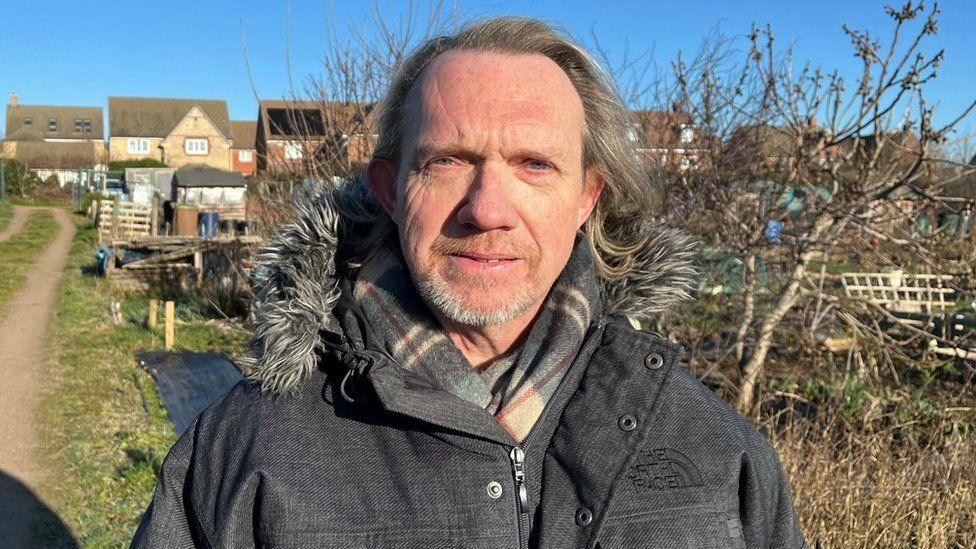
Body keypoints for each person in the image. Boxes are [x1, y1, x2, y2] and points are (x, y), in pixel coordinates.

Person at [132, 16, 807, 548]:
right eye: (448, 161)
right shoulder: (249, 449)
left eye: (535, 164)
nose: (486, 207)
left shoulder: (717, 453)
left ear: (586, 199)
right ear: (391, 191)